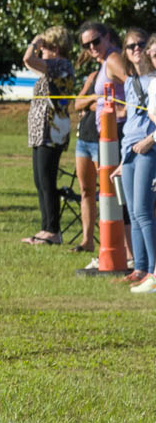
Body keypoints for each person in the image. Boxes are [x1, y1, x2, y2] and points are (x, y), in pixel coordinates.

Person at [70, 21, 127, 253]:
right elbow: (77, 103)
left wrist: (126, 111)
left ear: (107, 37)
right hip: (99, 134)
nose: (92, 47)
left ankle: (120, 247)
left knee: (112, 192)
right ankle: (94, 241)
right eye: (87, 44)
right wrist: (97, 102)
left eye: (96, 41)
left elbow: (136, 85)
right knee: (93, 190)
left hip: (116, 133)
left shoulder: (113, 59)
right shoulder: (101, 66)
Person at [20, 27, 76, 245]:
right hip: (40, 130)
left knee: (46, 180)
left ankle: (53, 230)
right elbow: (28, 62)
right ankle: (46, 228)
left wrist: (34, 42)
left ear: (55, 48)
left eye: (45, 47)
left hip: (51, 131)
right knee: (39, 180)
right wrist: (36, 48)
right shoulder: (50, 67)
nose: (40, 50)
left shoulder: (60, 65)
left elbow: (28, 58)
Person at [111, 28, 156, 289]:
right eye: (130, 46)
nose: (136, 49)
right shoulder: (129, 82)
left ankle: (153, 270)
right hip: (129, 149)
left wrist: (149, 141)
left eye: (140, 44)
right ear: (125, 53)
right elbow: (130, 120)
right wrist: (121, 161)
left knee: (143, 209)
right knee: (133, 211)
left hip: (149, 148)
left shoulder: (154, 80)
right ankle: (140, 267)